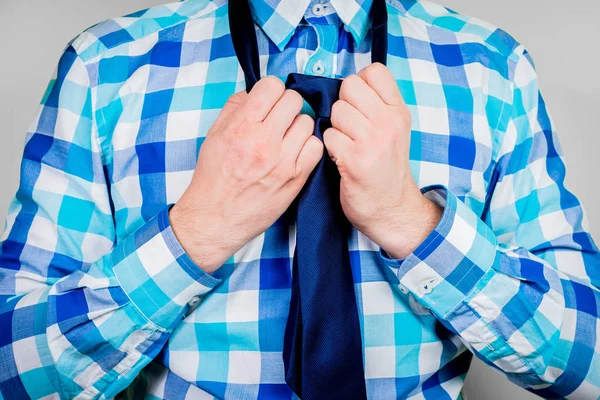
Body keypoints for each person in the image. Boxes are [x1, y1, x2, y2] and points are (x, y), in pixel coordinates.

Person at [0, 0, 598, 398]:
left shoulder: (492, 68)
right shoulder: (107, 66)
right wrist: (199, 232)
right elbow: (14, 367)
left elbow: (581, 353)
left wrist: (410, 221)